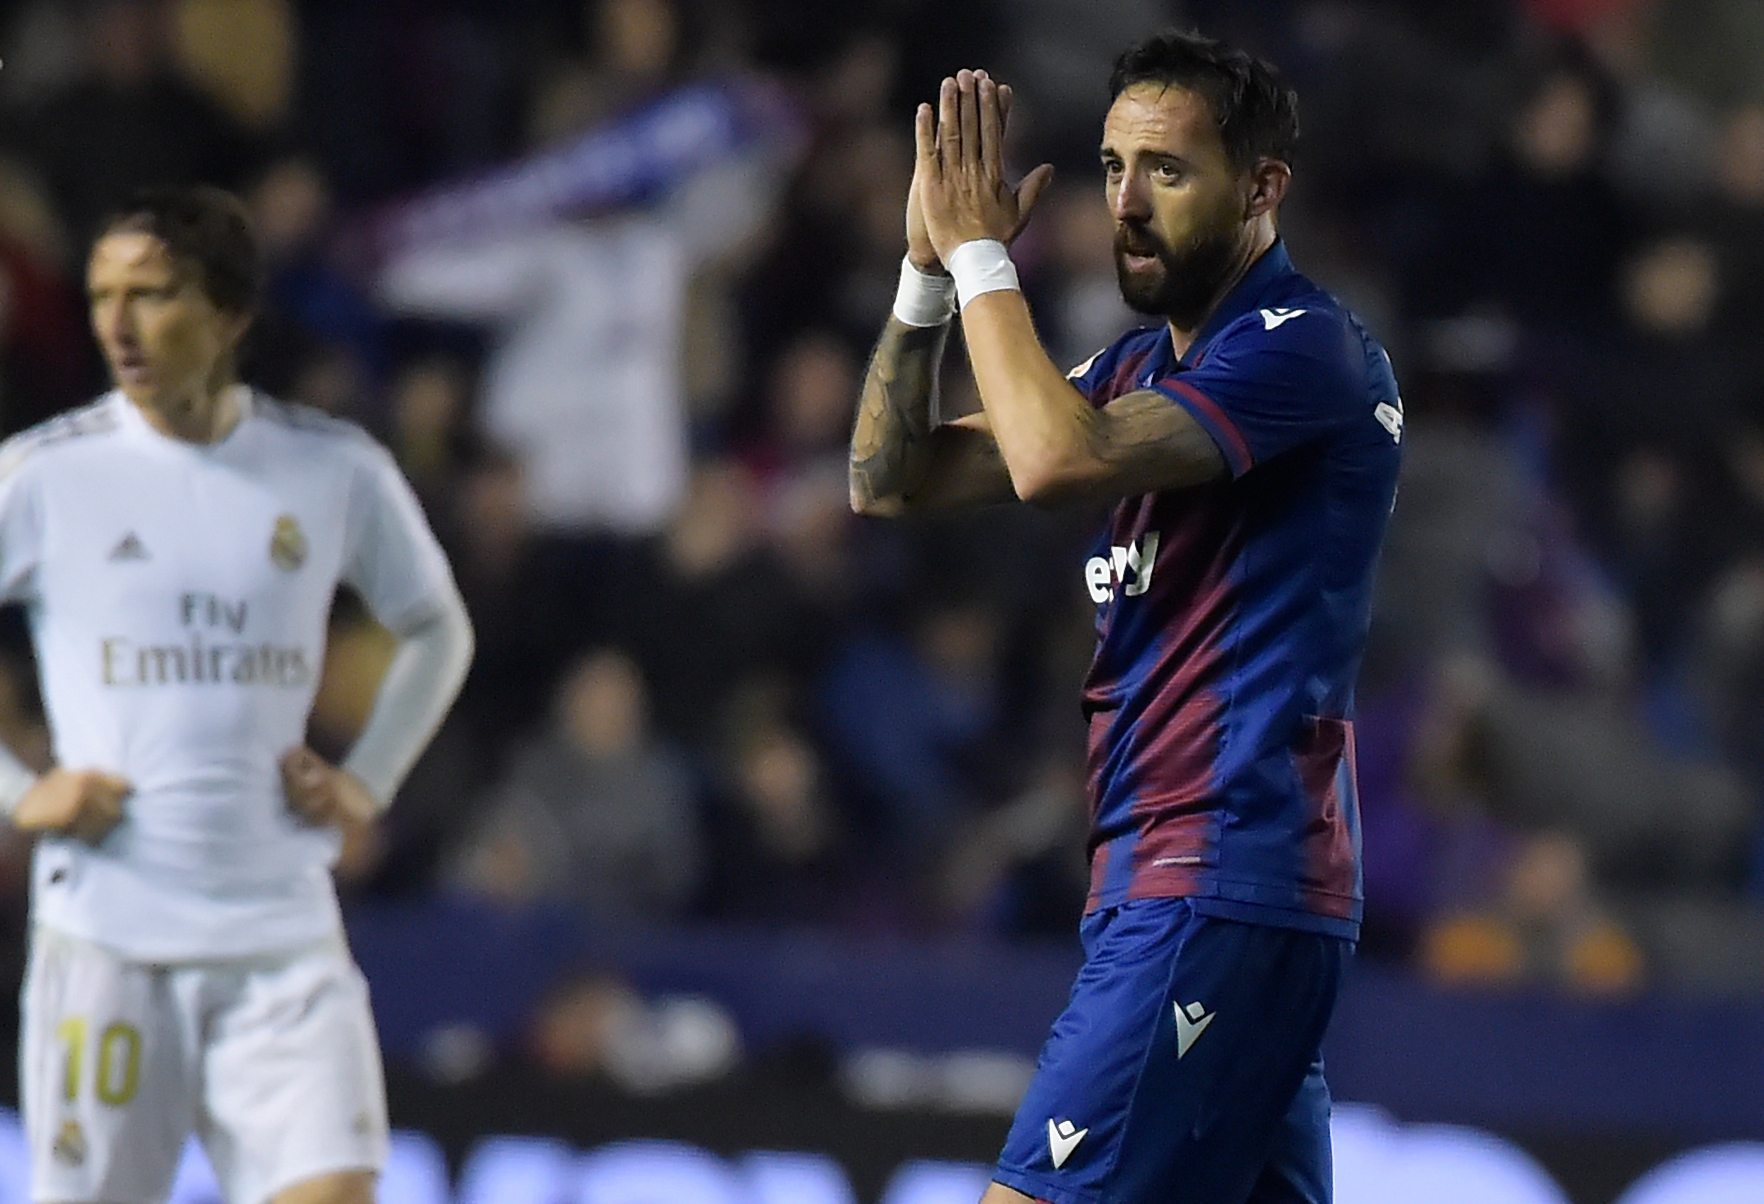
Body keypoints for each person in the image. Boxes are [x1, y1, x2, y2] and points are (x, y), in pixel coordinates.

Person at [849, 31, 1402, 1204]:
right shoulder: (1134, 369)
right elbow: (887, 479)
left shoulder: (1309, 351)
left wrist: (986, 255)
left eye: (1168, 170)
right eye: (1110, 168)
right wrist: (926, 276)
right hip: (1194, 886)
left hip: (1217, 874)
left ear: (1262, 190)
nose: (1127, 204)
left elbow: (1053, 459)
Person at [0, 187, 474, 1204]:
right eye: (101, 296)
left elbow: (440, 628)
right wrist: (15, 789)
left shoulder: (331, 468)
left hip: (282, 939)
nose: (117, 324)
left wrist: (369, 777)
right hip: (111, 940)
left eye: (153, 294)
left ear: (229, 314)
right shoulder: (46, 475)